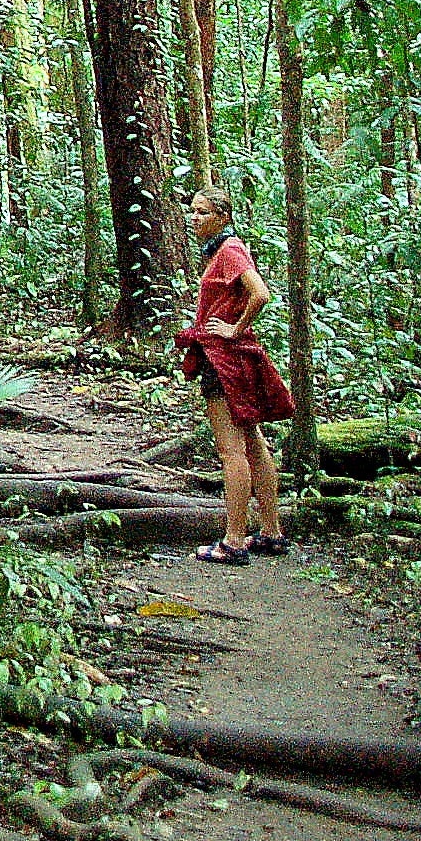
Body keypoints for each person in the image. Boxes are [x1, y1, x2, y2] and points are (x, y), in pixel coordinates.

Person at [176, 186, 294, 564]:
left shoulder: (229, 251)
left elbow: (260, 293)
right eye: (192, 211)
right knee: (254, 446)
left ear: (223, 217)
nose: (194, 218)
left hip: (224, 359)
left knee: (232, 452)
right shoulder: (220, 251)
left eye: (203, 212)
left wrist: (235, 328)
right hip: (229, 358)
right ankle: (271, 531)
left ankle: (234, 540)